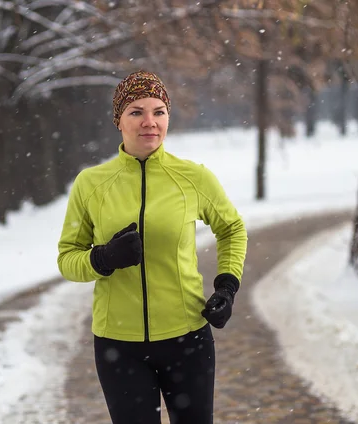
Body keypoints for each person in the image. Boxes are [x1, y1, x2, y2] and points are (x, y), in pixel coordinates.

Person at [57, 70, 248, 424]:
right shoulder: (91, 184)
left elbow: (232, 228)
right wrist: (103, 258)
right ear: (119, 120)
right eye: (136, 112)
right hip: (119, 344)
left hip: (187, 338)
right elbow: (68, 259)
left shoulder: (193, 177)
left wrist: (227, 286)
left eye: (159, 111)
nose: (150, 122)